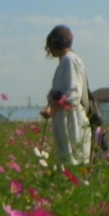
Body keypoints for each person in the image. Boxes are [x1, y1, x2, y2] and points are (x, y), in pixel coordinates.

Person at [40, 25, 92, 166]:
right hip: (66, 118)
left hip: (72, 119)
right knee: (68, 160)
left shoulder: (69, 60)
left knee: (73, 160)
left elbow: (73, 95)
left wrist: (52, 110)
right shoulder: (67, 61)